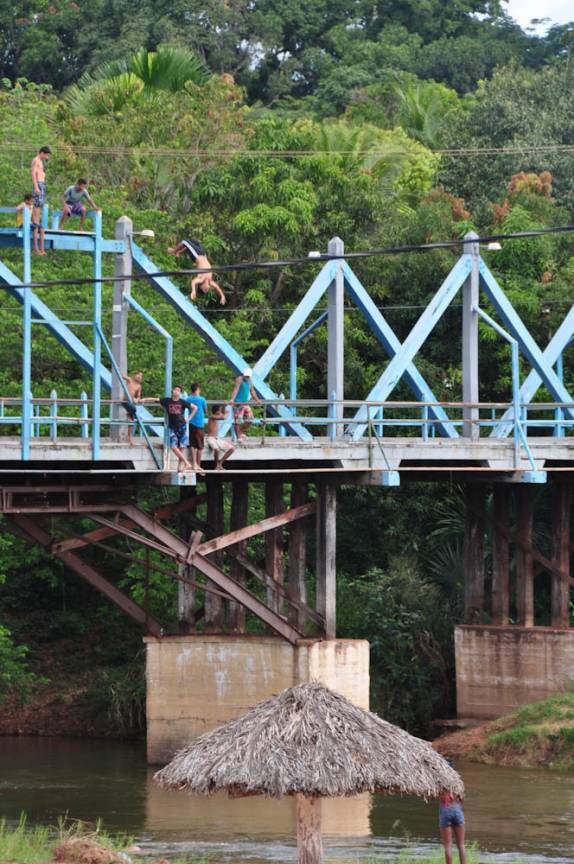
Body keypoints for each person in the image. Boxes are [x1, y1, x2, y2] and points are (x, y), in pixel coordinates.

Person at [168, 239, 226, 305]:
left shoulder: (201, 279)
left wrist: (193, 291)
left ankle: (174, 251)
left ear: (201, 287)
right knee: (195, 242)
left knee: (185, 242)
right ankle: (179, 253)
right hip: (203, 254)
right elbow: (217, 288)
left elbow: (193, 282)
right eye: (207, 290)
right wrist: (222, 296)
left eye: (205, 290)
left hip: (197, 255)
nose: (207, 289)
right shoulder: (210, 281)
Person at [158, 386, 197, 473]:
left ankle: (180, 467)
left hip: (182, 426)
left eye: (178, 390)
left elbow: (195, 408)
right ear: (172, 391)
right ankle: (186, 462)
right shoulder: (167, 401)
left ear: (180, 393)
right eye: (175, 390)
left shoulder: (182, 402)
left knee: (181, 447)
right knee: (173, 446)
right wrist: (144, 400)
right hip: (173, 428)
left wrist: (189, 419)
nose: (176, 391)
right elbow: (156, 399)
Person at [439, 762, 466, 864]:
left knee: (448, 845)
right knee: (461, 845)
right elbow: (462, 798)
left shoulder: (440, 782)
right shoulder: (458, 782)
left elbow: (431, 795)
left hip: (445, 810)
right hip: (457, 809)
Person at [121, 372, 155, 445]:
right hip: (125, 401)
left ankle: (129, 438)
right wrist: (123, 376)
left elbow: (138, 396)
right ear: (134, 375)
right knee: (134, 410)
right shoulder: (130, 380)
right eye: (138, 375)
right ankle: (128, 414)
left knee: (131, 422)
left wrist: (137, 399)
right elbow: (122, 376)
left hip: (131, 403)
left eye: (141, 376)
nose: (139, 377)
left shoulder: (139, 386)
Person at [31, 145, 51, 255]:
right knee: (37, 207)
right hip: (38, 184)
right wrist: (36, 187)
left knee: (40, 207)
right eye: (46, 155)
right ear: (42, 153)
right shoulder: (36, 160)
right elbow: (33, 174)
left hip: (41, 184)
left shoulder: (41, 162)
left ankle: (38, 223)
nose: (47, 157)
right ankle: (36, 223)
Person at [230, 368, 261, 441]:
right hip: (238, 403)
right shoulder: (239, 379)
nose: (247, 377)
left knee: (250, 420)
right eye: (246, 376)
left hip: (245, 403)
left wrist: (257, 400)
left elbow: (252, 392)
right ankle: (239, 437)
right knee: (238, 420)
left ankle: (240, 431)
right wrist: (232, 399)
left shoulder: (250, 381)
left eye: (248, 376)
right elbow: (236, 389)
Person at [187, 382, 208, 474]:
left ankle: (194, 464)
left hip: (191, 423)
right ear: (197, 389)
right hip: (199, 423)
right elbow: (205, 410)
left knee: (192, 444)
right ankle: (198, 465)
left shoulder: (188, 399)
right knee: (200, 446)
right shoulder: (201, 399)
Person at [206, 405, 235, 470]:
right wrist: (227, 413)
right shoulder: (212, 416)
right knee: (216, 449)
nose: (220, 413)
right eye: (219, 411)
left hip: (217, 439)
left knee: (232, 449)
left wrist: (224, 407)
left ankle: (220, 463)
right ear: (217, 412)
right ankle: (216, 465)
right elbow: (224, 417)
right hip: (210, 438)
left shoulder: (217, 416)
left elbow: (222, 416)